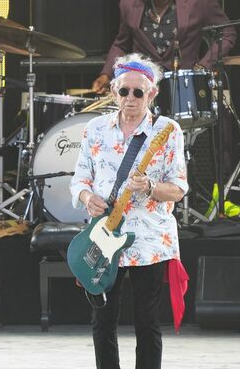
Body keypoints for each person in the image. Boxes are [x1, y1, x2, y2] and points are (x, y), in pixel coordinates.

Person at [71, 53, 189, 369]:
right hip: (105, 235)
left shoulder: (168, 130)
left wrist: (150, 186)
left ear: (152, 94)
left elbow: (178, 188)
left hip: (149, 240)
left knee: (147, 320)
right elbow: (79, 178)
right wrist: (85, 196)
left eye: (139, 92)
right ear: (114, 93)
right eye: (125, 91)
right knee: (102, 320)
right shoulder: (95, 128)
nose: (131, 98)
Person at [92, 0, 236, 94]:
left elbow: (228, 32)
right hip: (145, 88)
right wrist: (106, 74)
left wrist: (203, 66)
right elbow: (121, 44)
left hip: (186, 87)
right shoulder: (128, 4)